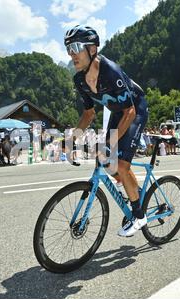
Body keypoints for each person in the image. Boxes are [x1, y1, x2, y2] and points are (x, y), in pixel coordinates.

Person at [64, 25, 149, 237]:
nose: (71, 53)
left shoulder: (110, 70)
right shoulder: (79, 80)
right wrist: (71, 140)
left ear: (92, 49)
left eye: (75, 47)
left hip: (135, 110)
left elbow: (129, 112)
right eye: (68, 49)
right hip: (117, 113)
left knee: (120, 162)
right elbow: (88, 114)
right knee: (104, 158)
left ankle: (139, 216)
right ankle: (133, 190)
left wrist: (109, 142)